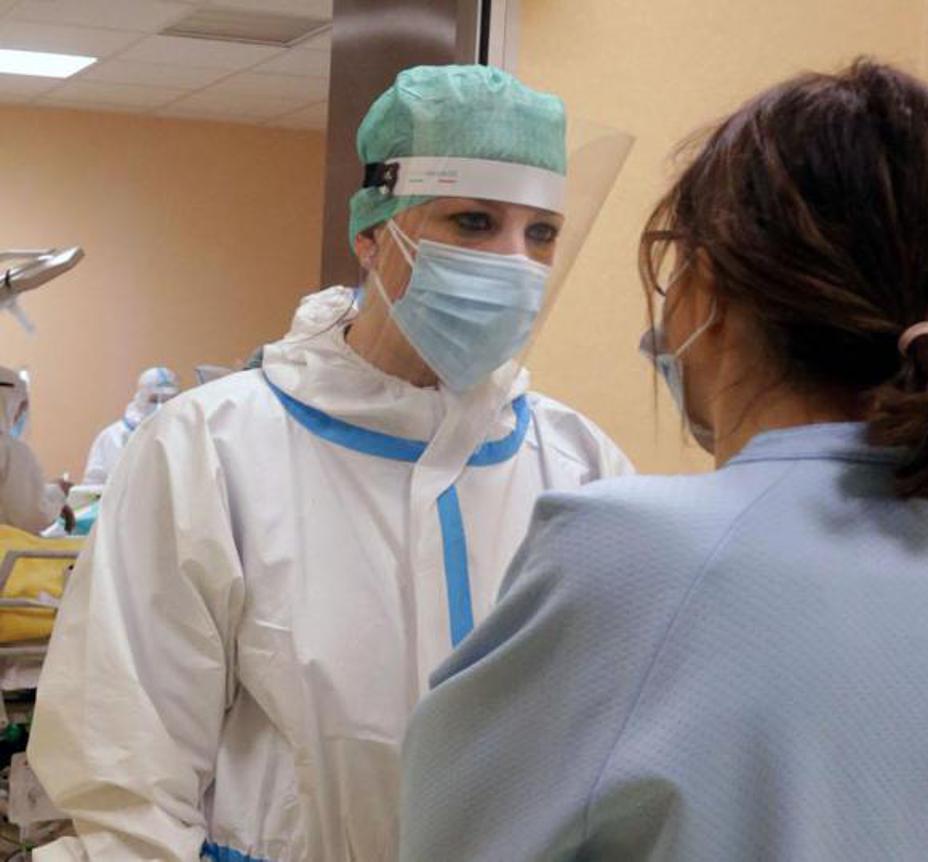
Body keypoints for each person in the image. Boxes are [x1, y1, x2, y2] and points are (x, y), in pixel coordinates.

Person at [397, 60, 928, 861]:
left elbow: (448, 838)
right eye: (475, 223)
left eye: (541, 234)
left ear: (705, 286)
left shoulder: (630, 549)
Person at [29, 65, 632, 861]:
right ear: (372, 237)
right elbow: (127, 771)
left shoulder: (579, 466)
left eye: (542, 234)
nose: (514, 262)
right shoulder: (211, 449)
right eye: (474, 221)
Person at [81, 366, 180, 486]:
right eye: (154, 400)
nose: (161, 407)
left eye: (169, 400)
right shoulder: (112, 437)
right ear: (141, 398)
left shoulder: (183, 436)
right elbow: (92, 486)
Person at [0, 366, 70, 533]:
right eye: (21, 407)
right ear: (10, 403)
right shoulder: (11, 451)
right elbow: (32, 516)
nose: (21, 415)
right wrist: (57, 493)